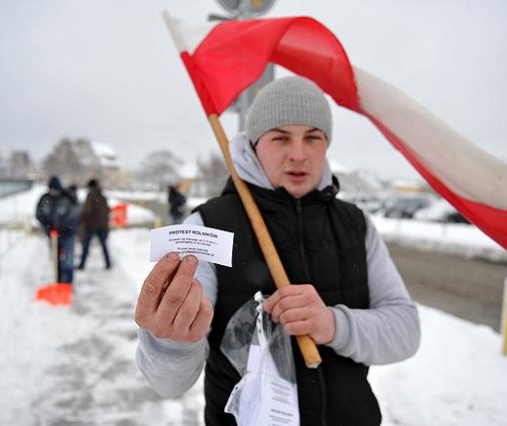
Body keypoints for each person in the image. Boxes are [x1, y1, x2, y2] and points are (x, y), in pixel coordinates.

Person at [134, 76, 421, 425]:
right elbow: (168, 383)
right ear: (254, 145)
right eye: (280, 138)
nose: (298, 154)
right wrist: (170, 343)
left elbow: (406, 332)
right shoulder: (208, 225)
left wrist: (333, 324)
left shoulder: (356, 225)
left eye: (313, 137)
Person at [35, 175, 80, 284]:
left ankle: (68, 282)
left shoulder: (68, 198)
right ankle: (59, 281)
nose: (52, 192)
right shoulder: (45, 199)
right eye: (51, 189)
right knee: (55, 259)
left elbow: (75, 214)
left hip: (67, 234)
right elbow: (39, 214)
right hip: (53, 235)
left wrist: (62, 225)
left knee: (68, 260)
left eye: (54, 189)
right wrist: (48, 226)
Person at [77, 178, 111, 270]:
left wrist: (81, 219)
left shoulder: (91, 196)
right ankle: (108, 263)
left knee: (86, 245)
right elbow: (107, 211)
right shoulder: (103, 197)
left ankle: (82, 264)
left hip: (91, 225)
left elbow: (87, 211)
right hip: (102, 225)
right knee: (104, 245)